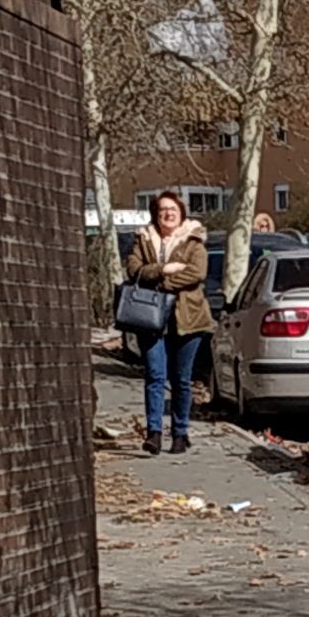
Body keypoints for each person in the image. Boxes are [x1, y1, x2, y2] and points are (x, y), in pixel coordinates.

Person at [125, 191, 210, 455]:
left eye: (173, 209)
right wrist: (163, 269)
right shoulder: (143, 239)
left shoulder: (194, 240)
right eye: (163, 209)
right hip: (151, 319)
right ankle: (154, 433)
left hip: (188, 319)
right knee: (155, 375)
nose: (168, 213)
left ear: (181, 212)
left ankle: (180, 433)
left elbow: (196, 273)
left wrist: (163, 284)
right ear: (156, 214)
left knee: (181, 379)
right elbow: (135, 270)